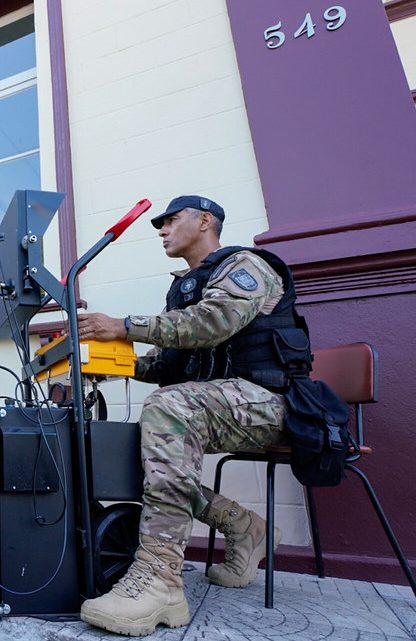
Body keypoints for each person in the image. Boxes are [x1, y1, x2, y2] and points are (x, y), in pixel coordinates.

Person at [75, 195, 312, 636]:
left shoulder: (246, 266)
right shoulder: (185, 287)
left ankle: (161, 579)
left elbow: (214, 322)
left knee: (168, 408)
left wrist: (124, 325)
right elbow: (163, 364)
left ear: (205, 221)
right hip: (222, 403)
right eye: (159, 225)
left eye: (170, 220)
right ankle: (243, 526)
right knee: (146, 440)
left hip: (270, 402)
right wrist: (96, 363)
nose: (162, 230)